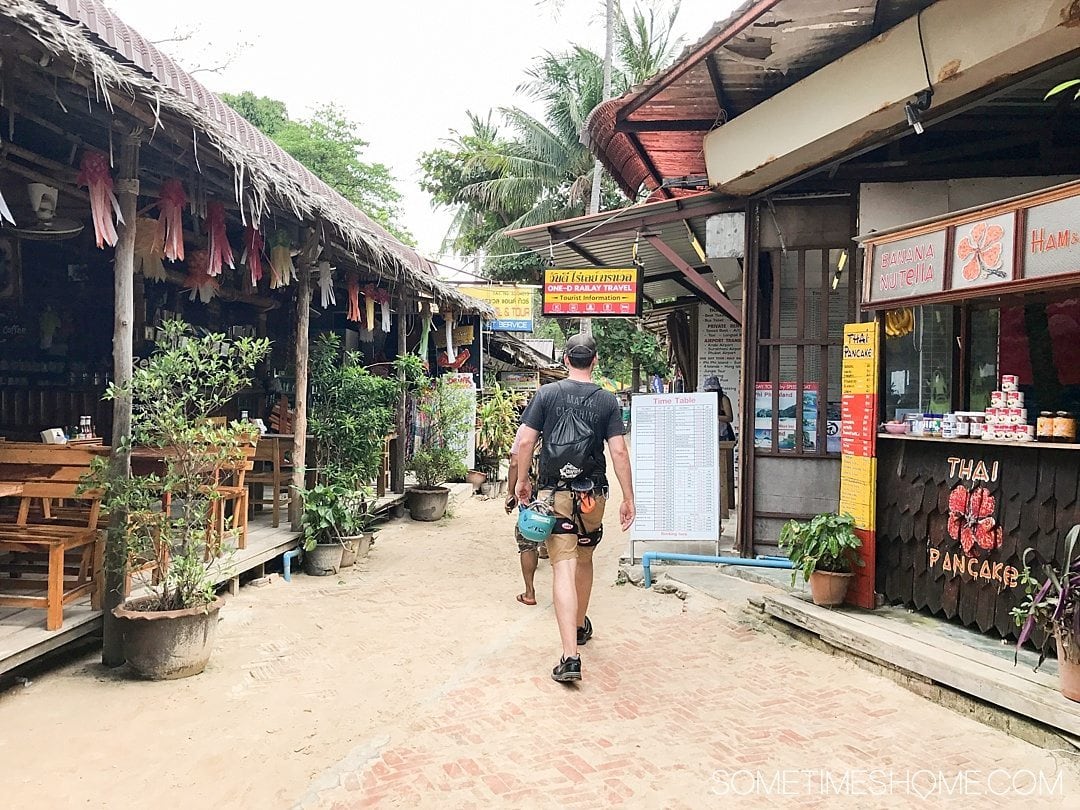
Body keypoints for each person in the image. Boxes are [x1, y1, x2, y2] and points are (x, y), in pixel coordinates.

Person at [515, 333, 635, 684]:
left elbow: (524, 440)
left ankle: (570, 656)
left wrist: (523, 480)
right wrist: (628, 498)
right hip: (592, 496)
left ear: (565, 359)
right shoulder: (607, 401)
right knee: (585, 558)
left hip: (555, 496)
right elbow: (619, 453)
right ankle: (580, 625)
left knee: (562, 569)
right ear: (594, 361)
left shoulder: (545, 395)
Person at [505, 423, 546, 606]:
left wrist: (511, 492)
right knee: (563, 541)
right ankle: (566, 592)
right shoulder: (565, 422)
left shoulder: (527, 428)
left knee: (527, 542)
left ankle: (530, 592)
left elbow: (515, 462)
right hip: (559, 492)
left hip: (529, 494)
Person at [702, 376, 736, 441]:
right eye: (707, 391)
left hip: (723, 432)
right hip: (709, 432)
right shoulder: (705, 399)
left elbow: (729, 418)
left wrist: (714, 416)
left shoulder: (723, 399)